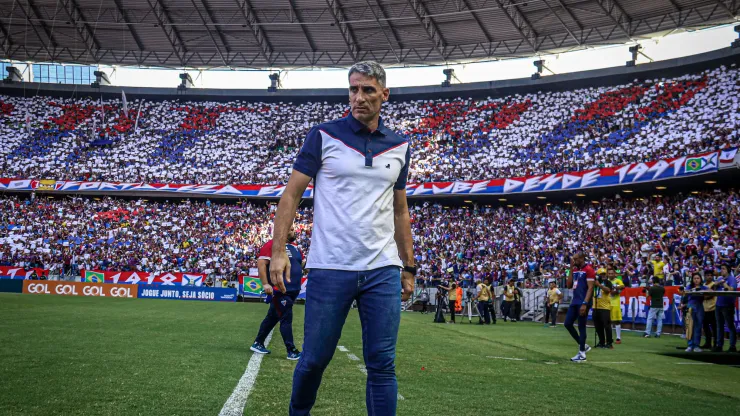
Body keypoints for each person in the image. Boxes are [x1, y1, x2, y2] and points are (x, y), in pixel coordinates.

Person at [268, 61, 415, 416]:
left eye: (367, 90)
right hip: (330, 267)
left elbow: (400, 211)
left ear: (384, 94)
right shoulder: (323, 135)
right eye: (353, 89)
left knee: (382, 364)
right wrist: (278, 251)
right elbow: (291, 196)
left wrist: (408, 266)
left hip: (382, 269)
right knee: (315, 359)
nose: (358, 97)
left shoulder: (400, 146)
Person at [250, 227, 304, 360]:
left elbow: (300, 263)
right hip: (280, 290)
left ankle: (258, 342)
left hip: (293, 290)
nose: (293, 231)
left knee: (273, 317)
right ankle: (291, 350)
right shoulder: (271, 245)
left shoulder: (295, 247)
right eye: (290, 229)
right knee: (286, 318)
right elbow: (262, 264)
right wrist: (265, 284)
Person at [564, 252, 595, 362]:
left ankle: (582, 354)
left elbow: (590, 288)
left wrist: (585, 304)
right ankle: (583, 346)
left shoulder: (589, 270)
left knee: (582, 326)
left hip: (583, 302)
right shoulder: (575, 269)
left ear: (582, 258)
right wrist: (571, 269)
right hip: (575, 301)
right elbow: (568, 285)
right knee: (567, 323)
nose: (574, 261)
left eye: (576, 259)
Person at [714, 264, 737, 352]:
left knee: (730, 325)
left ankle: (732, 346)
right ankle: (719, 345)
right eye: (721, 269)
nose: (722, 270)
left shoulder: (732, 279)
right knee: (719, 326)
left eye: (723, 269)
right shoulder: (719, 278)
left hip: (728, 305)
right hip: (718, 304)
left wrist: (724, 283)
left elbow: (731, 290)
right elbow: (714, 289)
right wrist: (716, 284)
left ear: (728, 270)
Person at [686, 273, 708, 352]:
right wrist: (693, 290)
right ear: (692, 279)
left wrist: (703, 290)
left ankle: (696, 346)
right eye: (694, 278)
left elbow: (711, 291)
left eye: (698, 278)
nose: (696, 280)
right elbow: (686, 292)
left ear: (700, 279)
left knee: (698, 327)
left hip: (699, 307)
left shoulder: (703, 287)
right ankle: (690, 345)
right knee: (690, 327)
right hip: (691, 307)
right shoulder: (690, 287)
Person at [593, 269, 614, 348]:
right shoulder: (594, 283)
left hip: (605, 308)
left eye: (604, 274)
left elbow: (608, 290)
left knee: (607, 326)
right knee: (598, 326)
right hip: (595, 307)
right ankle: (601, 342)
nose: (603, 276)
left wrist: (600, 285)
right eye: (601, 274)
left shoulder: (608, 282)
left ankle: (609, 343)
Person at [701, 269, 718, 349]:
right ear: (705, 276)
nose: (709, 277)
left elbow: (710, 295)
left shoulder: (714, 284)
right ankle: (708, 343)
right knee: (705, 327)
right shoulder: (703, 284)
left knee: (714, 328)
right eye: (708, 275)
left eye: (711, 275)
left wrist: (702, 296)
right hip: (704, 309)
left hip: (713, 308)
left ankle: (715, 344)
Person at [608, 267, 625, 344]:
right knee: (608, 321)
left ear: (614, 274)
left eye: (612, 273)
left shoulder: (617, 280)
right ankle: (609, 337)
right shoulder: (606, 281)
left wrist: (615, 287)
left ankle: (618, 338)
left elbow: (622, 286)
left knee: (617, 321)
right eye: (609, 273)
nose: (611, 275)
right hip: (607, 303)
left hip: (615, 303)